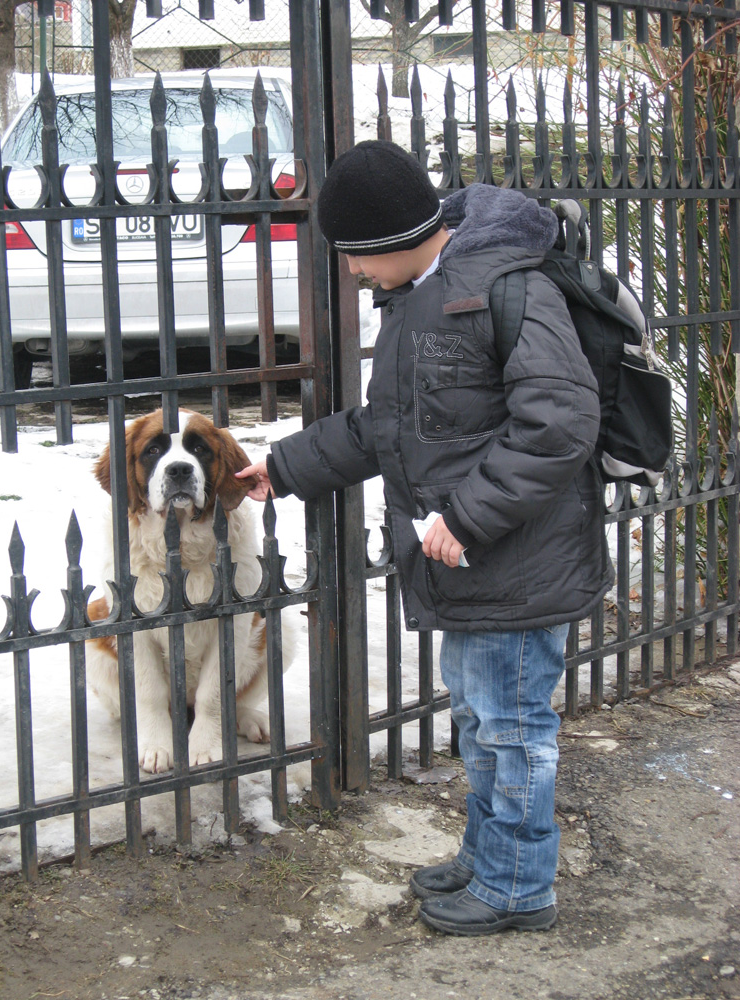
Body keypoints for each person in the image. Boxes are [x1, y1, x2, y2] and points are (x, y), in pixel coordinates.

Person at [236, 140, 613, 936]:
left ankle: (518, 887)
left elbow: (561, 421)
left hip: (510, 562)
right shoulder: (422, 298)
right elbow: (388, 427)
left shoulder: (504, 288)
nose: (352, 275)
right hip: (465, 567)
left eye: (353, 258)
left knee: (513, 731)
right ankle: (490, 858)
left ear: (389, 242)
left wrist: (468, 515)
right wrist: (286, 466)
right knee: (481, 723)